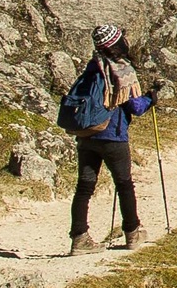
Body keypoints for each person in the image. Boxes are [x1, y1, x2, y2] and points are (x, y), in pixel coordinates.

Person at [58, 24, 154, 253]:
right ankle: (132, 232)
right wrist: (151, 98)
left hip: (87, 136)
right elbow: (136, 107)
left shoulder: (91, 69)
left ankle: (79, 238)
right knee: (124, 184)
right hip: (113, 136)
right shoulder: (121, 70)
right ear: (117, 44)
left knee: (84, 188)